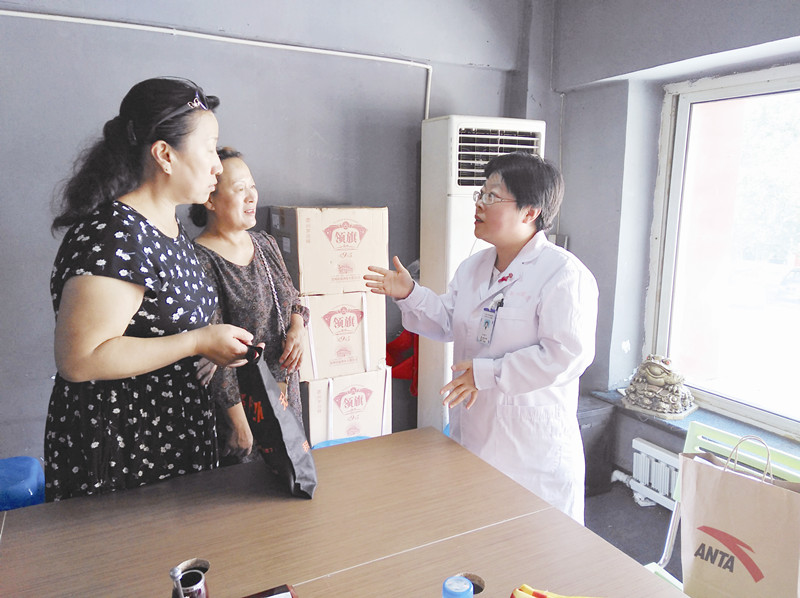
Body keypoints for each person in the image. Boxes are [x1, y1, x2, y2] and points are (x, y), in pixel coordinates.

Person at [46, 77, 255, 501]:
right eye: (209, 148)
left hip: (172, 437)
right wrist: (197, 341)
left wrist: (211, 349)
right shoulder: (116, 234)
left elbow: (159, 329)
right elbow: (80, 359)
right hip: (122, 449)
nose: (218, 166)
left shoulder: (170, 227)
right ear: (165, 155)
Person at [365, 152, 598, 523]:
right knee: (478, 534)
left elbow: (566, 356)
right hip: (475, 433)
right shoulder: (474, 267)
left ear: (530, 211)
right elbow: (448, 321)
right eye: (481, 193)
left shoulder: (563, 274)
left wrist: (487, 373)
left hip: (532, 452)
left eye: (492, 196)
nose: (479, 204)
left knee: (536, 545)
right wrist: (409, 294)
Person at [190, 148, 309, 464]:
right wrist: (240, 424)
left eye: (252, 186)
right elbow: (213, 351)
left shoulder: (265, 243)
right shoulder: (200, 260)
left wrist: (297, 328)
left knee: (291, 478)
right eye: (239, 188)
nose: (251, 196)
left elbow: (294, 300)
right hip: (243, 409)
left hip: (283, 396)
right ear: (210, 200)